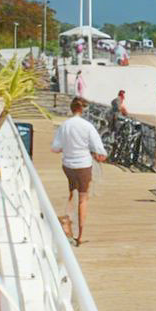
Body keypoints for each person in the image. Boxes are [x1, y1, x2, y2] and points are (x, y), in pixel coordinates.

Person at [50, 97, 107, 246]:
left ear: (71, 108)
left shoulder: (64, 125)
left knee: (71, 194)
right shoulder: (87, 126)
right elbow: (99, 149)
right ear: (82, 109)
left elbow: (55, 148)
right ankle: (80, 236)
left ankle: (67, 228)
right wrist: (99, 155)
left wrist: (66, 148)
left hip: (68, 165)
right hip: (83, 165)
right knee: (83, 199)